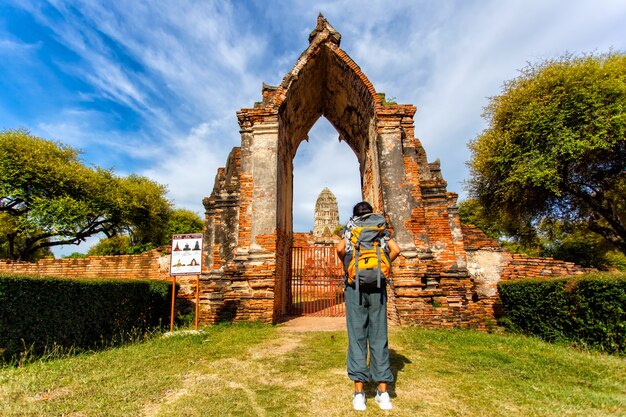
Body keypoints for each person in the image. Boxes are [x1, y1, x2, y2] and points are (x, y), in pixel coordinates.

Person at [336, 201, 400, 411]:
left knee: (357, 337)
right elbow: (396, 249)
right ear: (371, 213)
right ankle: (383, 393)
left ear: (355, 215)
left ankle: (359, 394)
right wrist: (384, 267)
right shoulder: (380, 229)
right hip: (378, 285)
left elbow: (339, 249)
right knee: (379, 336)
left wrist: (348, 267)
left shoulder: (351, 228)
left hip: (354, 287)